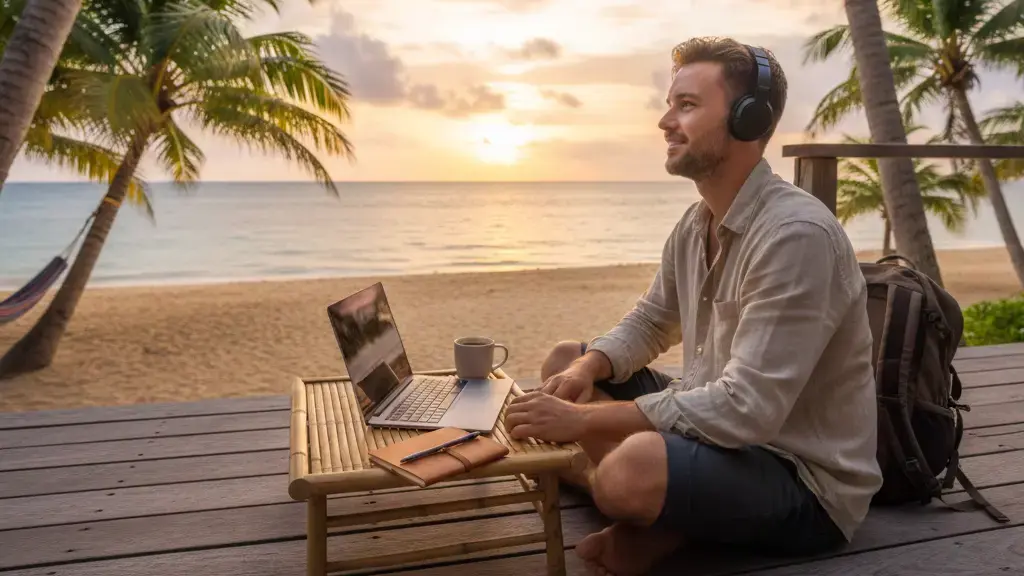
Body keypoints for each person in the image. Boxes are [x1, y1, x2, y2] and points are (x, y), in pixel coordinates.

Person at [505, 36, 884, 576]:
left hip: (799, 478)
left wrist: (580, 422)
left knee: (627, 470)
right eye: (670, 103)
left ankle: (645, 504)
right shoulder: (694, 224)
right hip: (720, 431)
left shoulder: (795, 236)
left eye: (686, 105)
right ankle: (664, 515)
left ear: (748, 121)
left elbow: (747, 408)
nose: (664, 121)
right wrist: (589, 367)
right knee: (565, 359)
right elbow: (653, 320)